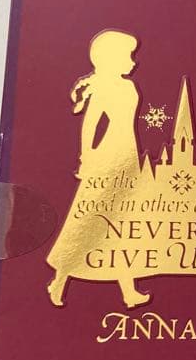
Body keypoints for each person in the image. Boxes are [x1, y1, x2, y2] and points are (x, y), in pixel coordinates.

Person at [46, 30, 150, 307]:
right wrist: (87, 157)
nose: (134, 62)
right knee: (89, 218)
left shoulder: (130, 87)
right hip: (108, 156)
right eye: (128, 56)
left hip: (128, 156)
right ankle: (59, 280)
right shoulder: (103, 88)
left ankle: (129, 291)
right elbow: (90, 125)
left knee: (124, 222)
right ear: (113, 59)